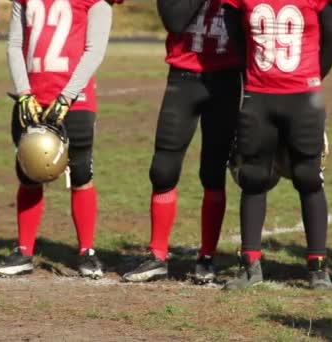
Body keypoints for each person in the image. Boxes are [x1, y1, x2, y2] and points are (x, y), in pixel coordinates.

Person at [221, 0, 332, 289]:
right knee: (252, 176)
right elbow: (234, 35)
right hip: (259, 94)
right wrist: (253, 72)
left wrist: (311, 74)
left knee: (308, 176)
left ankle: (318, 267)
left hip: (302, 95)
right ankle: (249, 264)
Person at [121, 0, 243, 284]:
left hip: (225, 79)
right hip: (183, 77)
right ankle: (157, 255)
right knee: (162, 169)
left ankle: (207, 256)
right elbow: (175, 21)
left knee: (213, 171)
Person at [0, 0, 114, 278]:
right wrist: (24, 92)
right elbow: (14, 44)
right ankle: (24, 250)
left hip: (75, 100)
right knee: (28, 172)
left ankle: (87, 251)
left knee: (82, 173)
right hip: (32, 98)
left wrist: (66, 96)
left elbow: (94, 51)